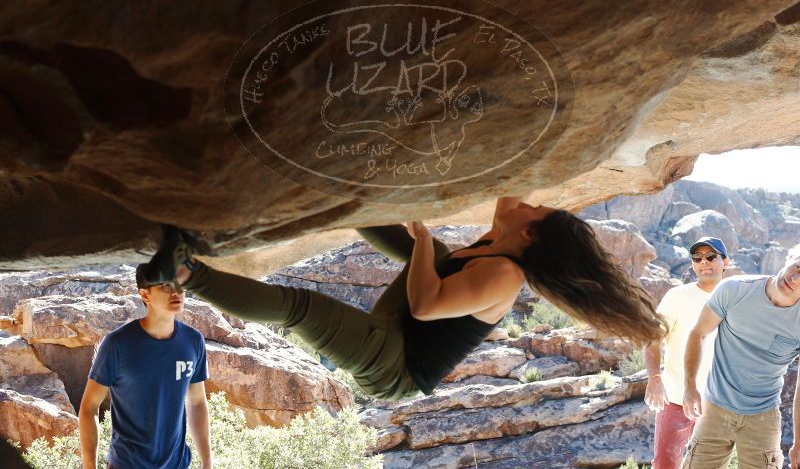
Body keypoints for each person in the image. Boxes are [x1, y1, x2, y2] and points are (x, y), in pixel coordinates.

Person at [137, 196, 667, 400]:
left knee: (303, 309)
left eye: (535, 210)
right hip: (400, 333)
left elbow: (426, 306)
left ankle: (182, 270)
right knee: (429, 249)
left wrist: (421, 241)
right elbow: (422, 269)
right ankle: (342, 200)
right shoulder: (489, 248)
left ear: (529, 234)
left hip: (396, 371)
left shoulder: (505, 274)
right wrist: (405, 232)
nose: (525, 201)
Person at [78, 272, 212, 469]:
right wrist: (90, 466)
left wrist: (207, 462)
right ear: (145, 295)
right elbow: (88, 408)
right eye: (166, 285)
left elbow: (197, 402)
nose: (177, 292)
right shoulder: (117, 344)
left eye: (181, 284)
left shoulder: (193, 341)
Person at [680, 252, 800, 468]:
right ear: (789, 258)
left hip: (763, 416)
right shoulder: (735, 289)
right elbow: (698, 333)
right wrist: (689, 386)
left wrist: (799, 443)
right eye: (798, 267)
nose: (795, 279)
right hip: (715, 408)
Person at [644, 237, 729, 469]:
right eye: (697, 258)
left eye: (711, 257)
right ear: (692, 264)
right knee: (665, 464)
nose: (704, 262)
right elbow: (652, 338)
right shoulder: (677, 297)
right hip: (675, 399)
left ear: (725, 262)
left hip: (718, 406)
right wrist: (653, 378)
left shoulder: (735, 299)